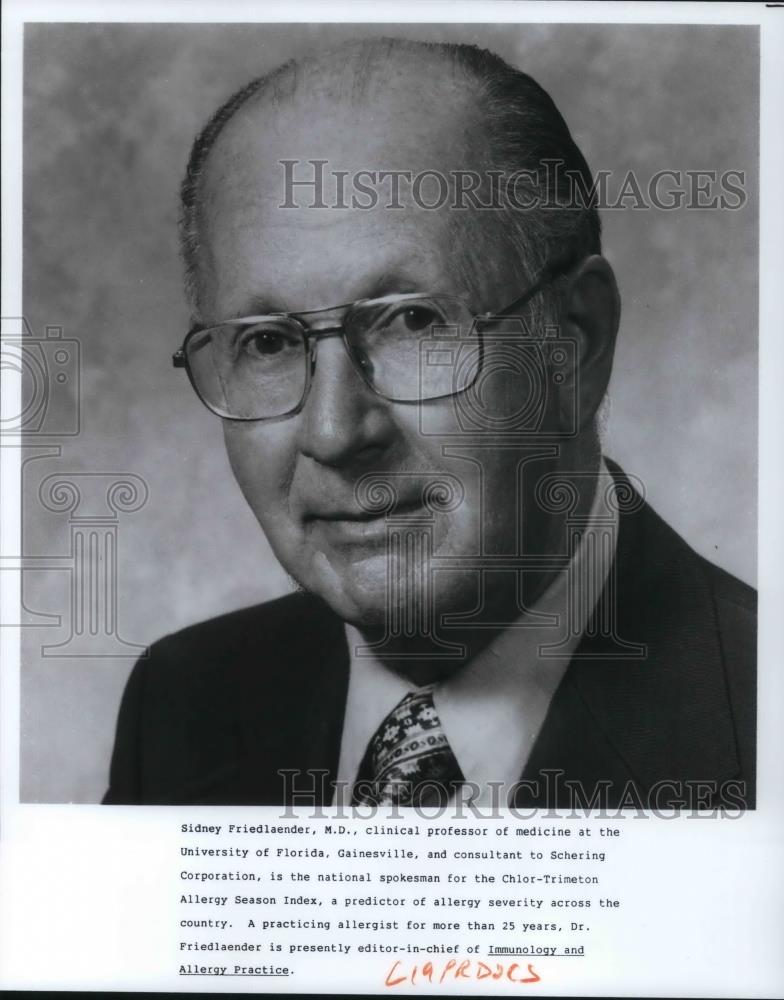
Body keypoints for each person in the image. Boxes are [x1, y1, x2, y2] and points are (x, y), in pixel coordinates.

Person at [103, 38, 755, 811]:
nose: (336, 433)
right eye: (268, 341)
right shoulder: (184, 705)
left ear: (575, 341)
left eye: (413, 322)